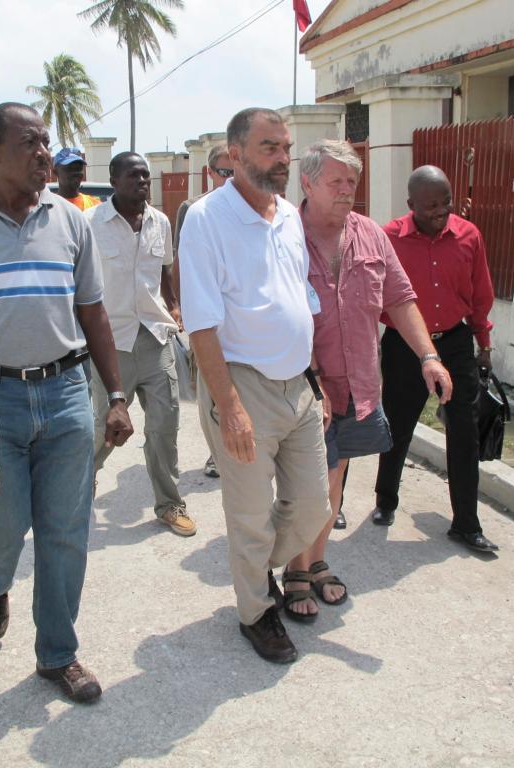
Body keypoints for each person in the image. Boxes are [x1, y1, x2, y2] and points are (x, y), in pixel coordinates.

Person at [0, 102, 133, 703]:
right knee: (0, 529)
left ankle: (57, 655)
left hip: (67, 393)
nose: (44, 153)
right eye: (30, 144)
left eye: (47, 142)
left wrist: (116, 395)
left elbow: (92, 311)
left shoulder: (71, 222)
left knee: (66, 530)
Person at [179, 107, 331, 664]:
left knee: (315, 505)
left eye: (287, 148)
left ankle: (257, 568)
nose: (284, 159)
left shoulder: (289, 215)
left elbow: (299, 300)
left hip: (298, 386)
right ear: (235, 155)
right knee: (247, 513)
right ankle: (256, 612)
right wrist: (229, 407)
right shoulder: (205, 219)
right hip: (243, 385)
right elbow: (200, 322)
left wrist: (315, 381)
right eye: (270, 148)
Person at [282, 141, 452, 621]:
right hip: (301, 386)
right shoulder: (283, 236)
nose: (346, 191)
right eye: (335, 182)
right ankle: (293, 571)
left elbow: (400, 300)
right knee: (306, 483)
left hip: (356, 385)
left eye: (352, 182)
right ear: (308, 182)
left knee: (333, 481)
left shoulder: (372, 236)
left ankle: (314, 562)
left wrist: (429, 357)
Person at [374, 165, 499, 552]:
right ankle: (385, 501)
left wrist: (484, 345)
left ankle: (466, 522)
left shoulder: (468, 236)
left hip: (455, 343)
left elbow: (481, 295)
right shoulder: (390, 237)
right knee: (397, 426)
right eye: (431, 205)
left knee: (464, 432)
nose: (441, 211)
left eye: (446, 202)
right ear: (411, 204)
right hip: (405, 345)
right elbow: (374, 293)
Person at [86, 152, 193, 536]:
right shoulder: (91, 223)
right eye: (134, 175)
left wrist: (175, 305)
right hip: (111, 342)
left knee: (165, 425)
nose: (143, 181)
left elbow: (163, 270)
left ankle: (169, 504)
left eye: (146, 175)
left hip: (154, 337)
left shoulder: (160, 222)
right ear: (113, 180)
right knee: (105, 428)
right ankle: (81, 488)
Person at [173, 143, 233, 480]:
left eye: (235, 172)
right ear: (209, 173)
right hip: (207, 318)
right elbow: (181, 260)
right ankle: (217, 451)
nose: (229, 180)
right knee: (210, 385)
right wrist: (181, 306)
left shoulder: (253, 209)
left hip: (240, 319)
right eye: (223, 173)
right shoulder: (193, 209)